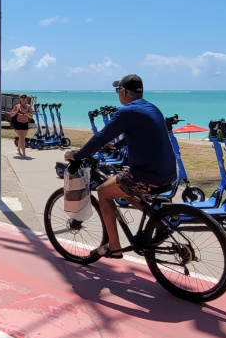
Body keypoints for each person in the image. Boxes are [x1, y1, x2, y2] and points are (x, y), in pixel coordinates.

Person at [65, 74, 177, 258]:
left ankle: (114, 247)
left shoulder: (126, 112)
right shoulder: (152, 108)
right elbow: (139, 133)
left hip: (145, 174)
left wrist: (78, 155)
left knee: (103, 192)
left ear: (123, 91)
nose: (118, 94)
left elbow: (101, 136)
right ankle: (159, 223)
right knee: (122, 188)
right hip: (168, 172)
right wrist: (116, 146)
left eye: (118, 90)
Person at [10, 94, 34, 159]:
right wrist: (17, 111)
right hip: (18, 124)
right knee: (22, 138)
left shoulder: (28, 107)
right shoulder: (17, 106)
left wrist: (26, 112)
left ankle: (18, 149)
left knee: (22, 138)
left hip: (25, 123)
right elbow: (11, 114)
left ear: (26, 98)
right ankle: (24, 153)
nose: (23, 98)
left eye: (24, 97)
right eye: (22, 97)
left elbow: (31, 116)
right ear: (19, 98)